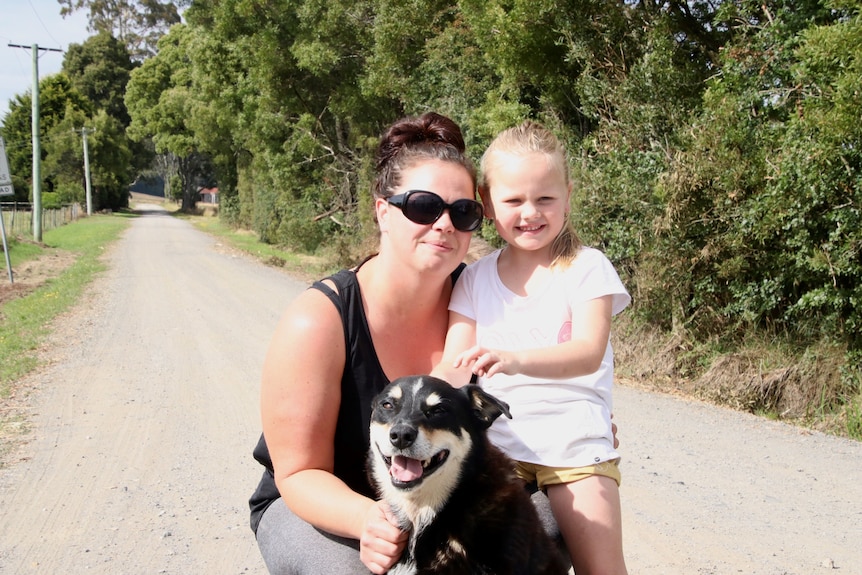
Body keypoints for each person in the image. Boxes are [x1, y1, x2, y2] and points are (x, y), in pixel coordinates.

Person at [248, 111, 489, 574]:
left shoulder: (488, 303)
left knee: (549, 523)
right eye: (423, 206)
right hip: (328, 508)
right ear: (383, 209)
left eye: (462, 212)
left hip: (444, 506)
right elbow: (297, 472)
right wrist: (368, 520)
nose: (444, 224)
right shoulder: (321, 318)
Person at [435, 120, 631, 575]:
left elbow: (587, 350)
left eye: (545, 198)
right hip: (498, 448)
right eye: (513, 200)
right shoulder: (474, 277)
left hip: (576, 450)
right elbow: (454, 365)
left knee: (602, 568)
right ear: (486, 202)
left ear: (568, 194)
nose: (531, 212)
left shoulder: (586, 268)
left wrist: (513, 359)